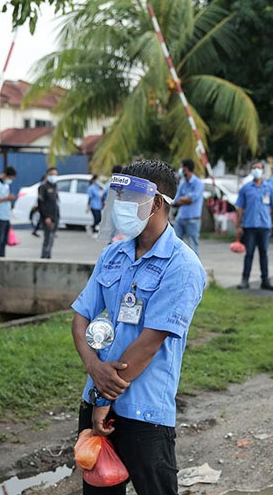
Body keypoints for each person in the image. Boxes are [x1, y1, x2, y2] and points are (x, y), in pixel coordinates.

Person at [71, 159, 206, 495]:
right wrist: (93, 368)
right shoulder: (112, 255)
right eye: (116, 197)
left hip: (144, 412)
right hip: (96, 400)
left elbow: (150, 342)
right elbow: (81, 316)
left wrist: (106, 393)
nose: (118, 207)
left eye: (127, 198)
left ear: (156, 202)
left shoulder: (182, 266)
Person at [235, 161, 273, 291]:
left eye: (258, 168)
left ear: (263, 170)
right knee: (249, 254)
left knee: (264, 253)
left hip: (264, 226)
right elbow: (240, 207)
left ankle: (265, 280)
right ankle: (245, 280)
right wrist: (238, 225)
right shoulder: (246, 188)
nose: (256, 170)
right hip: (249, 226)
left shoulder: (269, 187)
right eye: (253, 168)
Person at [172, 158, 205, 255]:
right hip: (181, 218)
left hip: (193, 219)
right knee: (175, 243)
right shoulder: (183, 184)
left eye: (182, 167)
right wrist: (184, 199)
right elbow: (176, 200)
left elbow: (191, 200)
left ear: (186, 168)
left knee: (193, 246)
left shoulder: (198, 183)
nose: (180, 169)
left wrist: (183, 199)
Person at [38, 167, 60, 259]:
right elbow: (41, 203)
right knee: (47, 238)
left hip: (55, 216)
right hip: (48, 217)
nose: (54, 177)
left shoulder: (54, 186)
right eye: (52, 174)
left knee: (51, 239)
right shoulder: (43, 187)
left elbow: (55, 202)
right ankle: (44, 257)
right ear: (47, 175)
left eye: (55, 175)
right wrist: (46, 217)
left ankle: (48, 256)